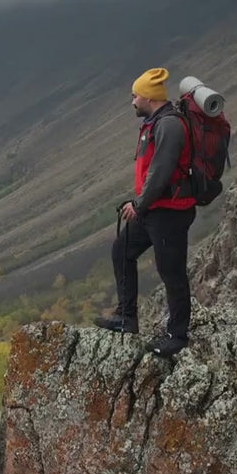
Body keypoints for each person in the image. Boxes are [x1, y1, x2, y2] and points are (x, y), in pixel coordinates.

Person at [94, 67, 196, 357]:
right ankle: (126, 318)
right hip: (155, 209)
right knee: (122, 250)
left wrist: (138, 204)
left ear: (149, 97)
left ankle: (178, 336)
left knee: (171, 272)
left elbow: (160, 173)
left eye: (135, 96)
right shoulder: (156, 123)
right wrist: (142, 203)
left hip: (170, 213)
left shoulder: (169, 126)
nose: (132, 102)